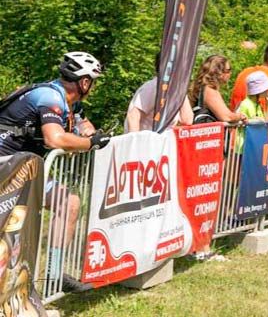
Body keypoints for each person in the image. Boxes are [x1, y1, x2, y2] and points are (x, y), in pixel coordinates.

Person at [0, 52, 110, 293]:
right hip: (5, 166)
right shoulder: (50, 97)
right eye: (93, 82)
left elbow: (84, 125)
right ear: (84, 82)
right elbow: (55, 139)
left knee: (68, 203)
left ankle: (54, 274)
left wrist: (92, 136)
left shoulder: (69, 102)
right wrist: (89, 144)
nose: (92, 87)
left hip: (22, 168)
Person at [125, 54, 194, 133]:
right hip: (147, 138)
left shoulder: (176, 90)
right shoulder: (153, 87)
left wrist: (180, 90)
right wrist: (136, 139)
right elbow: (133, 117)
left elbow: (187, 120)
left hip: (163, 138)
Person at [189, 55, 246, 124]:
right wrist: (241, 116)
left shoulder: (202, 87)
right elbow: (226, 117)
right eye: (228, 70)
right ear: (218, 72)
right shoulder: (210, 90)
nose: (230, 73)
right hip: (208, 129)